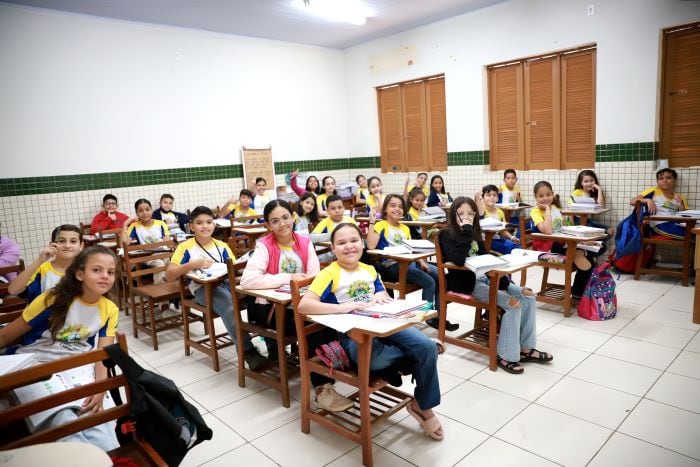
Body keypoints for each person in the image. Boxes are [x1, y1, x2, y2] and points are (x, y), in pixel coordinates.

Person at [299, 223, 444, 440]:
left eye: (354, 241)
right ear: (333, 247)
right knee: (378, 360)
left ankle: (423, 405)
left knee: (425, 347)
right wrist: (344, 307)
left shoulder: (370, 270)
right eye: (341, 243)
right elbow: (304, 306)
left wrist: (380, 297)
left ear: (363, 243)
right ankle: (411, 359)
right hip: (352, 332)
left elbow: (383, 296)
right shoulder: (328, 273)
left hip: (382, 324)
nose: (349, 246)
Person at [0, 246, 121, 451]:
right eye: (97, 270)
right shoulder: (52, 299)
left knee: (98, 424)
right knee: (64, 423)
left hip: (76, 368)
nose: (105, 277)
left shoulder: (110, 309)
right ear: (80, 274)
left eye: (110, 272)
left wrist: (100, 389)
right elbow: (5, 336)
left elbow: (103, 355)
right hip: (37, 366)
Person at [240, 200, 353, 412]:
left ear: (293, 217)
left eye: (285, 218)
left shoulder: (303, 240)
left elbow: (314, 274)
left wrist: (303, 287)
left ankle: (333, 368)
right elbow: (247, 280)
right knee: (311, 327)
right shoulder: (264, 245)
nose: (282, 224)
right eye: (275, 221)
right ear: (268, 225)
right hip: (272, 310)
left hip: (301, 303)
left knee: (329, 318)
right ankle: (322, 389)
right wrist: (288, 278)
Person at [438, 197, 553, 374]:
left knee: (528, 296)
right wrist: (466, 231)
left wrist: (505, 284)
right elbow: (459, 259)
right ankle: (506, 355)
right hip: (467, 283)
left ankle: (526, 348)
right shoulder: (446, 235)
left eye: (470, 213)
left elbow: (487, 259)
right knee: (513, 305)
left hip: (487, 279)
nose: (466, 217)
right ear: (453, 216)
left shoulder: (476, 234)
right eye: (461, 214)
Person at [166, 206, 266, 370]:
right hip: (203, 289)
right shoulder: (185, 247)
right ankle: (248, 351)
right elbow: (170, 274)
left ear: (214, 225)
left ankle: (270, 343)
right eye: (199, 223)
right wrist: (192, 264)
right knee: (229, 307)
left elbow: (234, 268)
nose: (205, 226)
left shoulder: (221, 245)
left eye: (209, 222)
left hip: (226, 283)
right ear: (191, 226)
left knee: (259, 296)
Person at [366, 194, 458, 332]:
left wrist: (421, 261)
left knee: (440, 276)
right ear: (385, 209)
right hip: (392, 266)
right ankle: (426, 316)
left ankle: (439, 316)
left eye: (400, 207)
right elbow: (371, 246)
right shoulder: (381, 225)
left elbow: (412, 248)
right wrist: (372, 221)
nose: (397, 209)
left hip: (410, 263)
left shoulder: (405, 228)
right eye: (392, 206)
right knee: (429, 282)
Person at [531, 181, 594, 298]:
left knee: (591, 256)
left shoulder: (556, 207)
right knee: (584, 257)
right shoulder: (535, 211)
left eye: (548, 194)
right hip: (547, 246)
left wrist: (580, 239)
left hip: (561, 241)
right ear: (535, 197)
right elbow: (548, 231)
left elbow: (564, 227)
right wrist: (547, 210)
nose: (545, 198)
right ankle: (577, 292)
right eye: (541, 196)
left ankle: (577, 292)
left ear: (552, 194)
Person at [8, 224, 83, 303]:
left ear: (81, 246)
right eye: (61, 241)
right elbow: (13, 290)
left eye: (73, 241)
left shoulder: (86, 269)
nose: (67, 245)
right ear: (52, 245)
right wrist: (40, 260)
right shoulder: (42, 269)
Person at [120, 199, 171, 284]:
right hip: (147, 256)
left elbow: (168, 243)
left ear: (151, 210)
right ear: (137, 213)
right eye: (140, 211)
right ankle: (160, 292)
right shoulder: (134, 226)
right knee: (159, 264)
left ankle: (172, 291)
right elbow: (123, 244)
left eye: (147, 209)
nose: (145, 213)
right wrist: (125, 224)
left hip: (163, 253)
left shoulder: (161, 223)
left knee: (171, 263)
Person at [630, 168, 688, 239]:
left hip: (676, 224)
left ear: (675, 181)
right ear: (657, 182)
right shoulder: (654, 191)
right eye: (661, 178)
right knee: (690, 236)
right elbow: (632, 201)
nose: (664, 180)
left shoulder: (680, 197)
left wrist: (681, 205)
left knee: (693, 232)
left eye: (668, 178)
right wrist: (648, 200)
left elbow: (686, 217)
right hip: (658, 225)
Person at [570, 170, 614, 237]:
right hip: (578, 220)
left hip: (589, 220)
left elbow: (601, 207)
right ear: (581, 183)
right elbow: (570, 210)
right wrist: (572, 227)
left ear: (595, 181)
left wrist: (599, 190)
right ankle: (592, 244)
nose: (589, 183)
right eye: (586, 181)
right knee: (594, 234)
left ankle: (594, 244)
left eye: (591, 180)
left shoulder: (594, 193)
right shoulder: (577, 192)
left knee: (610, 231)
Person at [481, 184, 520, 254]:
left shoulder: (500, 212)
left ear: (498, 198)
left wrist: (512, 237)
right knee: (508, 248)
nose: (492, 197)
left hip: (498, 239)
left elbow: (502, 231)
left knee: (517, 247)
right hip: (485, 240)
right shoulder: (481, 211)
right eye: (488, 195)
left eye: (494, 195)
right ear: (483, 197)